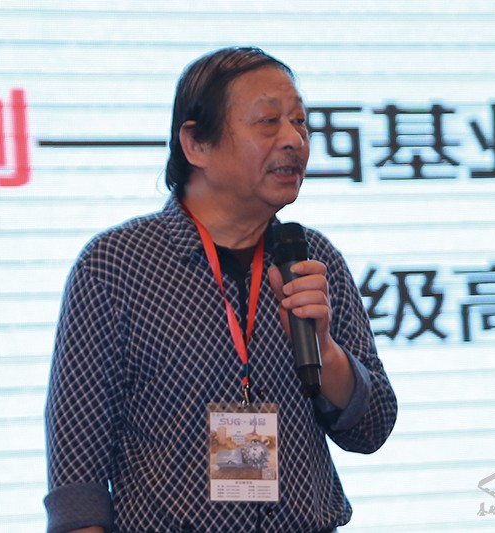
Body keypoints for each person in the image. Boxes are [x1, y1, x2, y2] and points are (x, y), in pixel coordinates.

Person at [44, 46, 397, 533]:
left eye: (300, 122)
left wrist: (327, 352)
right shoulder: (116, 265)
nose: (294, 139)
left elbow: (372, 428)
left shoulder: (311, 258)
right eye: (268, 122)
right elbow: (77, 472)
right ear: (196, 144)